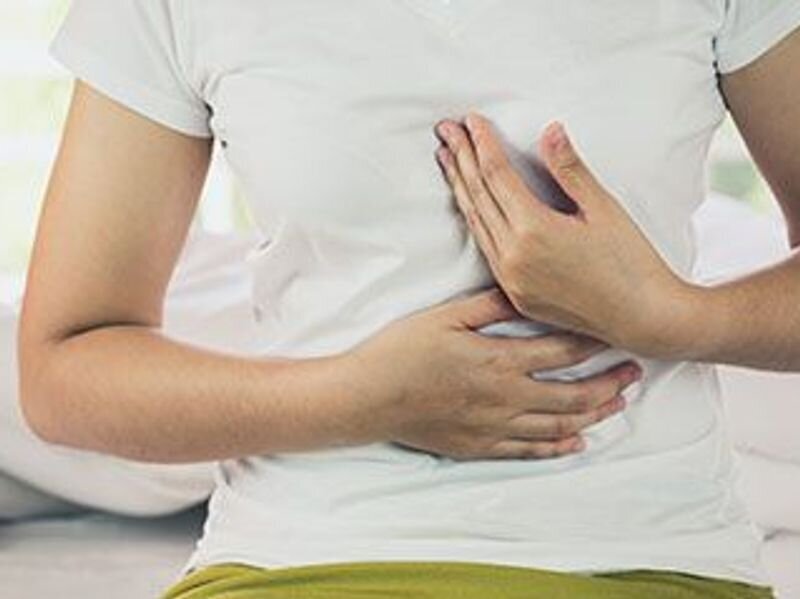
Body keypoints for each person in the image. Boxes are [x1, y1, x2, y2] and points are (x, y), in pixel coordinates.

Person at [16, 1, 800, 597]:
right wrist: (361, 398)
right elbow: (62, 366)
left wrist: (667, 315)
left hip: (649, 554)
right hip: (299, 557)